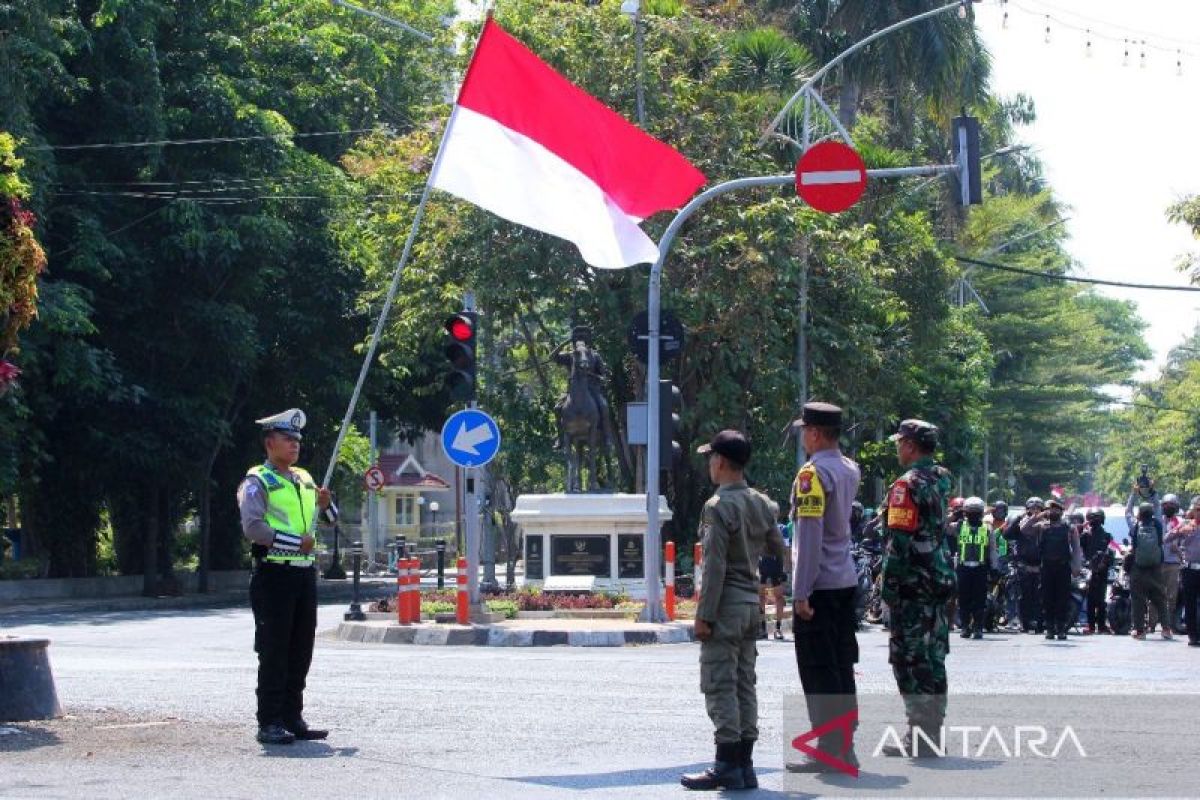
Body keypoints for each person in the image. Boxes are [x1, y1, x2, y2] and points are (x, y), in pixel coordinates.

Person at [682, 430, 785, 791]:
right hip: (750, 605)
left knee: (720, 683)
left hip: (724, 606)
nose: (710, 464)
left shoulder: (717, 506)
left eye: (711, 458)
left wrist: (704, 615)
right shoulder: (762, 503)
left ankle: (726, 765)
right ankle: (744, 765)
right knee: (744, 683)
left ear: (721, 462)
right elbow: (778, 551)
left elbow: (714, 568)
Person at [237, 409, 335, 745]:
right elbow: (253, 528)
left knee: (301, 649)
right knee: (274, 650)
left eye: (297, 440)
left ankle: (293, 717)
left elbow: (326, 518)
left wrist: (327, 504)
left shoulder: (304, 478)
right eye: (287, 439)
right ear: (269, 443)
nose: (294, 445)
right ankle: (269, 721)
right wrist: (296, 543)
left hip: (303, 575)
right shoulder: (257, 481)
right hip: (273, 575)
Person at [784, 402, 862, 773]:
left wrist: (801, 592)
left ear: (815, 433)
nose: (802, 437)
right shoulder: (849, 469)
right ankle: (843, 743)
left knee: (818, 667)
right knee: (842, 663)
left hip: (820, 584)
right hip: (844, 579)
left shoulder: (812, 475)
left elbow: (810, 537)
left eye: (804, 430)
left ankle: (831, 745)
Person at [879, 419, 956, 758]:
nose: (898, 448)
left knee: (909, 658)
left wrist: (888, 586)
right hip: (939, 576)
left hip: (913, 581)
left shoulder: (905, 485)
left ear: (911, 445)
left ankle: (919, 736)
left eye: (901, 443)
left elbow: (899, 540)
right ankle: (932, 734)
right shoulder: (943, 477)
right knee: (935, 656)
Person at [1021, 497, 1082, 640]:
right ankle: (1049, 628)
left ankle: (1060, 628)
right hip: (1046, 568)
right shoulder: (1041, 527)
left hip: (1063, 568)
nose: (1052, 511)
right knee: (1047, 599)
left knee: (1062, 599)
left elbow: (1077, 549)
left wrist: (1076, 567)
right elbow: (1023, 529)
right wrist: (1038, 516)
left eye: (1056, 509)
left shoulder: (1069, 528)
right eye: (1050, 509)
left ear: (1061, 511)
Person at [1125, 495, 1171, 641]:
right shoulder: (1158, 525)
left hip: (1138, 568)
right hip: (1156, 568)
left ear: (1139, 514)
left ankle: (1139, 631)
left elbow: (1127, 512)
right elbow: (1158, 507)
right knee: (1160, 599)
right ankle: (1166, 629)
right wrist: (1152, 492)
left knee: (1138, 600)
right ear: (1152, 513)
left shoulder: (1135, 525)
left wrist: (1134, 493)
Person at [955, 497, 995, 640]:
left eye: (976, 512)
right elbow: (942, 527)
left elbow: (992, 550)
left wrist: (994, 568)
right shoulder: (959, 526)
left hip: (980, 568)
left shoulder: (987, 529)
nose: (973, 515)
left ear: (981, 514)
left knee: (979, 600)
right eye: (970, 512)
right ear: (965, 513)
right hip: (963, 568)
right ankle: (965, 627)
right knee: (963, 599)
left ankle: (978, 627)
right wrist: (954, 515)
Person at [1006, 497, 1046, 634]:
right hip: (1023, 566)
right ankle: (1025, 622)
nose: (1035, 512)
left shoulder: (1045, 524)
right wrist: (1018, 518)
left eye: (1038, 509)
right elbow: (1008, 535)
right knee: (1023, 596)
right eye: (1032, 509)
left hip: (1041, 566)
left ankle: (1039, 623)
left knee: (1040, 597)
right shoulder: (1022, 523)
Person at [1168, 496, 1200, 646]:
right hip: (1190, 569)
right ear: (1193, 510)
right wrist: (1179, 531)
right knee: (1190, 604)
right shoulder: (1186, 524)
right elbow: (1167, 539)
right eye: (1198, 509)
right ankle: (1193, 636)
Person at [1080, 508, 1114, 634]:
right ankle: (1090, 625)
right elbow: (1076, 546)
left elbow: (1111, 552)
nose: (1095, 520)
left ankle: (1101, 625)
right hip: (1088, 571)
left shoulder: (1107, 536)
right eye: (1092, 518)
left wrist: (1104, 563)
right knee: (1090, 599)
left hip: (1102, 571)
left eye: (1097, 518)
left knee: (1101, 600)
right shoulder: (1085, 535)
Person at [1156, 494, 1185, 632]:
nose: (1168, 507)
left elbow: (1185, 542)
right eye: (1165, 505)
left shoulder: (1181, 522)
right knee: (1155, 594)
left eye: (1171, 505)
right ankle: (1151, 624)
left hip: (1173, 563)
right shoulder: (1158, 521)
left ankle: (1168, 624)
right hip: (1158, 562)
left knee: (1171, 596)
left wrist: (1178, 550)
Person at [758, 526, 787, 641]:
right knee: (760, 596)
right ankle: (762, 628)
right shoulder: (758, 528)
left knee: (779, 596)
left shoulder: (781, 529)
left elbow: (786, 549)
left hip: (776, 564)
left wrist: (786, 568)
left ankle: (778, 628)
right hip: (762, 564)